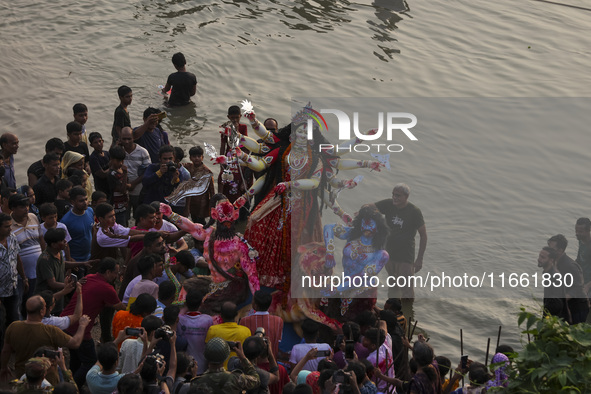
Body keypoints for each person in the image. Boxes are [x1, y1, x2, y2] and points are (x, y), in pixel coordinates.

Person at [60, 257, 126, 387]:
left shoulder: (89, 277)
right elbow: (120, 307)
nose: (116, 276)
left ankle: (72, 382)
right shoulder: (107, 288)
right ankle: (73, 386)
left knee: (76, 358)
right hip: (80, 329)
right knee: (91, 362)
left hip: (66, 322)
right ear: (108, 272)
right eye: (115, 273)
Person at [0, 295, 90, 381]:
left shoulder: (13, 327)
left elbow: (5, 351)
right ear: (42, 311)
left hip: (23, 376)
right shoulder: (51, 331)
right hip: (47, 377)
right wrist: (82, 326)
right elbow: (75, 343)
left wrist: (4, 367)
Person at [372, 183, 427, 299]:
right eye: (393, 195)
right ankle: (393, 311)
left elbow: (423, 235)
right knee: (393, 284)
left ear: (406, 197)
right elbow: (370, 207)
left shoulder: (414, 211)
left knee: (406, 289)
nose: (394, 198)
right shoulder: (388, 204)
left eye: (398, 195)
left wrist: (419, 259)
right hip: (389, 253)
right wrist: (363, 214)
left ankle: (408, 314)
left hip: (405, 256)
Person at [10, 193, 46, 305]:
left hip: (38, 271)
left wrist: (45, 258)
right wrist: (23, 276)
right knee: (21, 303)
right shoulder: (8, 225)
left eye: (27, 206)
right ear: (13, 209)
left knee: (38, 301)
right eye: (22, 207)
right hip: (21, 275)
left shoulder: (33, 217)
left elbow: (41, 240)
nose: (26, 209)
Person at [547, 234, 589, 324]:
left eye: (551, 249)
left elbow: (578, 288)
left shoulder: (570, 266)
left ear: (560, 251)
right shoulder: (553, 263)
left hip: (578, 308)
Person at [195, 337, 260, 393]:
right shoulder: (236, 379)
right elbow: (256, 380)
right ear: (226, 356)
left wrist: (194, 375)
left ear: (206, 356)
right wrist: (242, 357)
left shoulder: (197, 383)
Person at [217, 105, 253, 207]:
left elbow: (245, 143)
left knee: (241, 180)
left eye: (237, 117)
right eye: (232, 118)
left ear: (240, 116)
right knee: (226, 180)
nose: (235, 120)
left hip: (240, 156)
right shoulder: (225, 130)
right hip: (229, 157)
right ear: (228, 117)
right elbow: (223, 146)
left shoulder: (243, 127)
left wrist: (236, 131)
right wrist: (221, 162)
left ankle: (242, 202)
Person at [177, 288, 213, 375]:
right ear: (201, 303)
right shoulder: (208, 320)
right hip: (202, 367)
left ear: (185, 303)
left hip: (184, 368)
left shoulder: (179, 319)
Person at [205, 302, 252, 369]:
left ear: (221, 315)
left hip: (218, 372)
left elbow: (208, 352)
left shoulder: (213, 330)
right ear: (236, 314)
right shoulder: (246, 331)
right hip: (239, 373)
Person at [0, 212, 27, 327]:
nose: (10, 229)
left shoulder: (12, 238)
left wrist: (24, 278)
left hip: (12, 286)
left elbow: (17, 257)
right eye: (6, 226)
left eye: (10, 226)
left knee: (14, 320)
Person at [239, 290, 284, 357]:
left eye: (253, 300)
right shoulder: (278, 321)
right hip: (272, 363)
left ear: (255, 305)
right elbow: (278, 341)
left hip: (250, 363)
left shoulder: (244, 321)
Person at [121, 126, 151, 219]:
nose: (126, 142)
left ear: (133, 138)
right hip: (122, 191)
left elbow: (147, 170)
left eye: (129, 139)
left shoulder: (142, 152)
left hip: (138, 190)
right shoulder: (118, 151)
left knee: (139, 217)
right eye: (124, 139)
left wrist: (133, 184)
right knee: (123, 217)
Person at [61, 186, 94, 265]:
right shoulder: (65, 221)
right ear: (72, 202)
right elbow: (64, 243)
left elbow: (93, 231)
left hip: (90, 257)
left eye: (86, 199)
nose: (85, 202)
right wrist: (69, 259)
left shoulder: (90, 211)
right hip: (76, 261)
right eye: (81, 201)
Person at [182, 146, 215, 224]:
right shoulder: (188, 167)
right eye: (194, 156)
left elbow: (212, 190)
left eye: (198, 156)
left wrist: (213, 206)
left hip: (202, 202)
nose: (196, 158)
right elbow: (179, 166)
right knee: (193, 218)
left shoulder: (207, 172)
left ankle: (202, 234)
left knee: (200, 221)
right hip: (191, 200)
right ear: (190, 158)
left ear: (202, 157)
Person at [537, 246, 569, 320]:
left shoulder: (554, 276)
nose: (539, 259)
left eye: (543, 257)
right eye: (539, 256)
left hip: (554, 318)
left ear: (551, 260)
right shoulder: (548, 272)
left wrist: (547, 319)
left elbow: (556, 303)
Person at [107, 145, 130, 226]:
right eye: (118, 161)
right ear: (112, 159)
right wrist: (125, 174)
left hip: (124, 205)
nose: (121, 163)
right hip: (117, 208)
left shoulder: (120, 170)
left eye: (122, 160)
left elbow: (127, 185)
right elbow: (122, 189)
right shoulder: (112, 174)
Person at [575, 217, 591, 302]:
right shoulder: (581, 240)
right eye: (576, 230)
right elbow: (579, 259)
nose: (577, 233)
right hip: (582, 279)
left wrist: (588, 286)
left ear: (588, 231)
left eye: (580, 232)